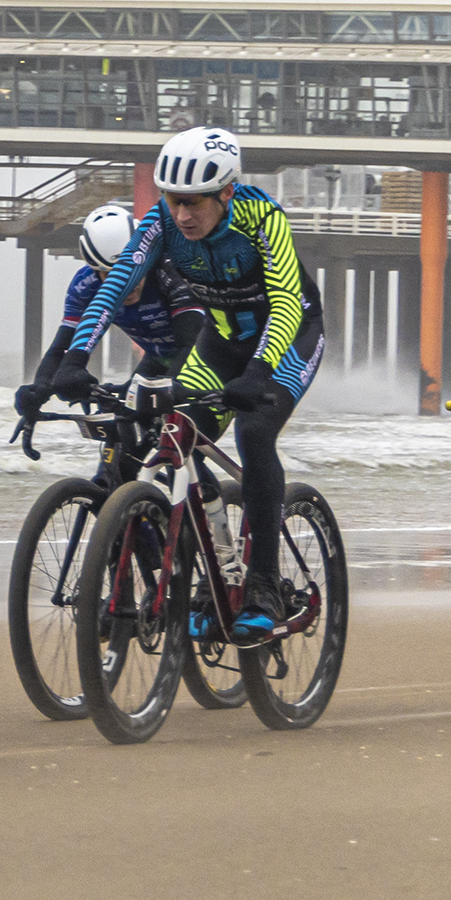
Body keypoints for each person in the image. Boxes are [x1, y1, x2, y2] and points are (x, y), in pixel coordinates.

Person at [60, 125, 324, 639]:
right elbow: (117, 283)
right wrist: (75, 356)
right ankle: (214, 570)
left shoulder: (260, 216)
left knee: (252, 432)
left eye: (193, 204)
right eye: (173, 202)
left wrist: (258, 373)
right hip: (221, 341)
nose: (182, 215)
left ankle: (266, 583)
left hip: (287, 339)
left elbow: (288, 302)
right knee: (175, 430)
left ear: (226, 192)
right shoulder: (161, 223)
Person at [13, 200, 218, 493]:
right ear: (94, 270)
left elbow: (190, 343)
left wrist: (161, 392)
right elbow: (63, 349)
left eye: (132, 274)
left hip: (203, 357)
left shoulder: (169, 272)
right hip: (159, 359)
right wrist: (40, 388)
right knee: (122, 455)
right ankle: (133, 521)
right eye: (109, 275)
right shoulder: (84, 287)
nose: (126, 285)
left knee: (178, 449)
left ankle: (204, 520)